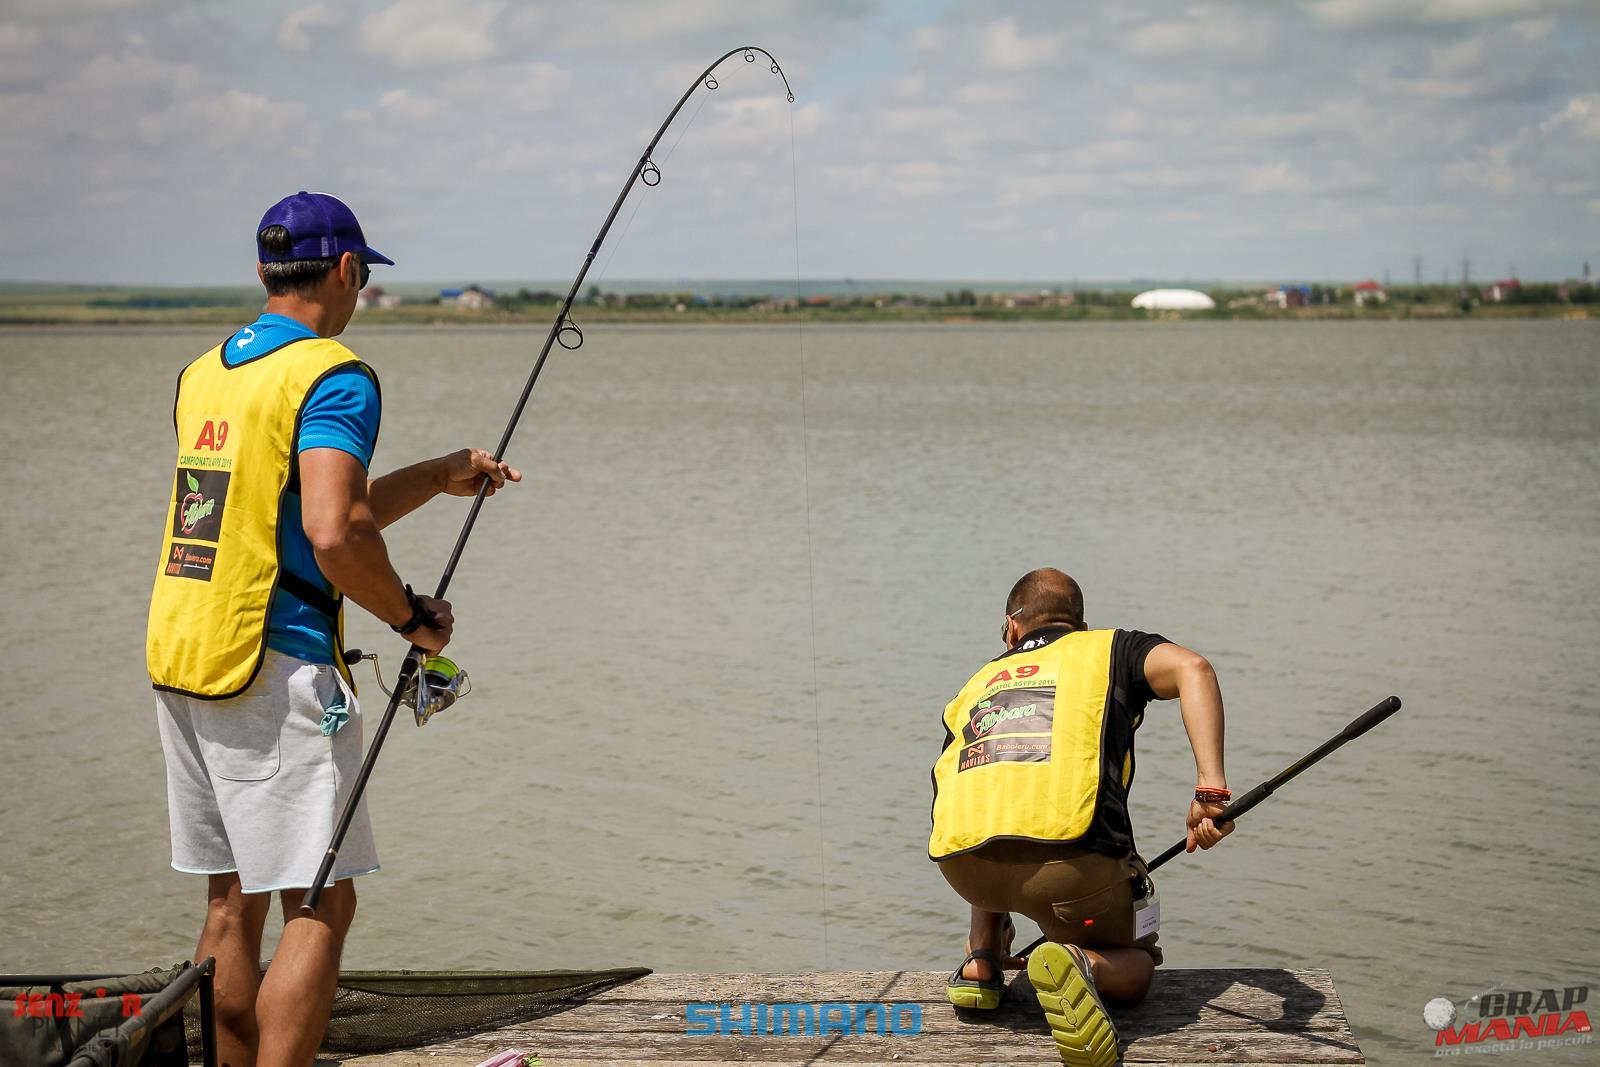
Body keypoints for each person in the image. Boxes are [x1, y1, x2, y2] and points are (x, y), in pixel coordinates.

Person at [146, 190, 521, 1067]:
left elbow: (296, 512)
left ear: (264, 272)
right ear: (348, 270)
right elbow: (332, 531)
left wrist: (436, 474)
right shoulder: (332, 374)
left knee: (230, 897)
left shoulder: (207, 372)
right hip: (274, 666)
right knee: (320, 900)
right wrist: (409, 620)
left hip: (186, 651)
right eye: (363, 277)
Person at [929, 567, 1233, 1067]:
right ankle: (1082, 961)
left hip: (966, 871)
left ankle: (980, 963)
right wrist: (1210, 791)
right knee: (1136, 966)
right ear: (1080, 625)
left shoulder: (978, 682)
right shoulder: (1111, 649)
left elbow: (961, 787)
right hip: (1071, 877)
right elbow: (1193, 668)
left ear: (1011, 629)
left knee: (996, 790)